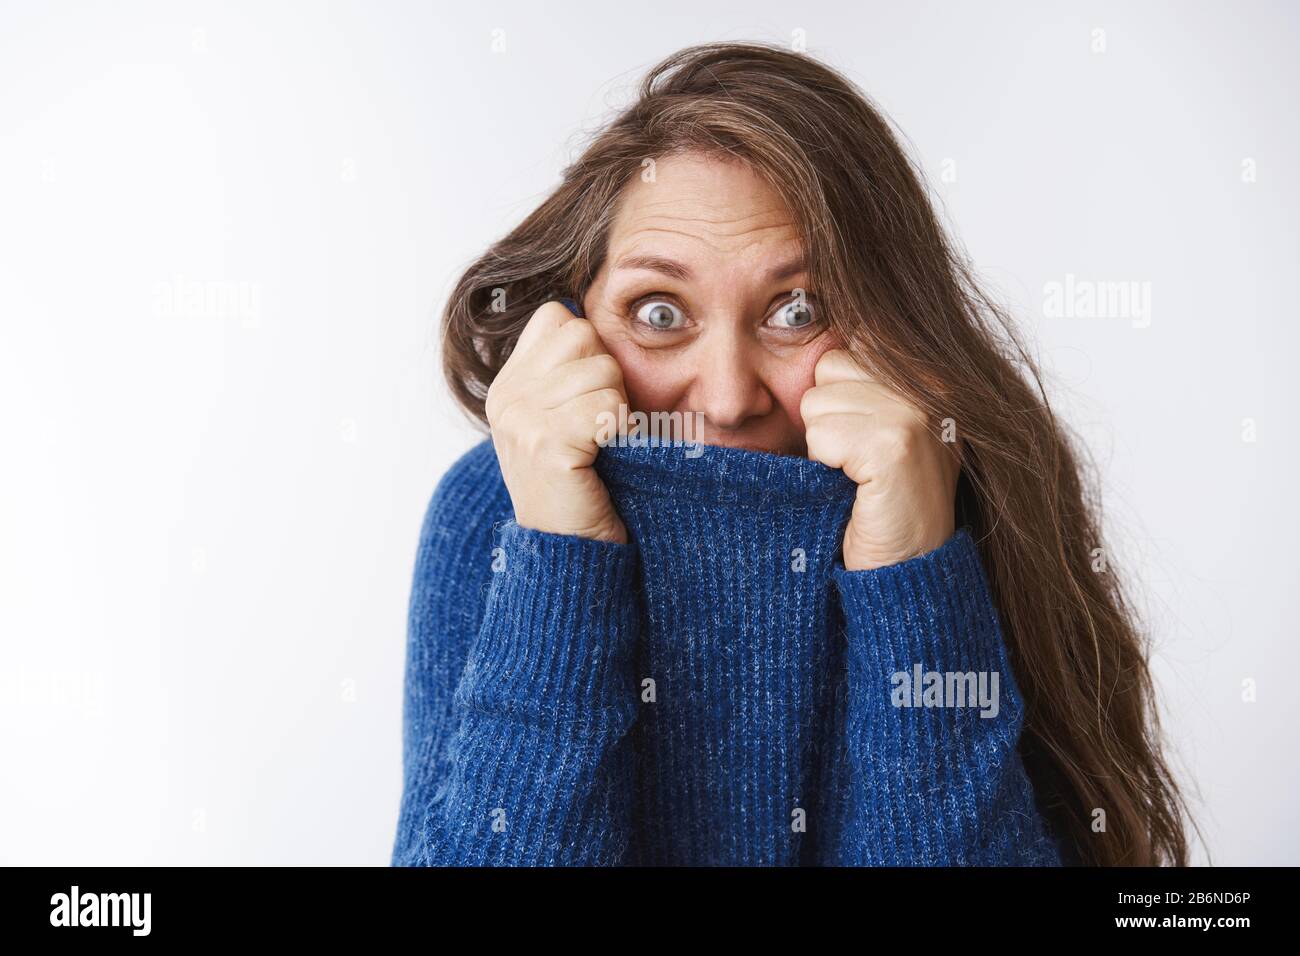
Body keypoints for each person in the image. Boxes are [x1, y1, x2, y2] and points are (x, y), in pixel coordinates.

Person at [391, 41, 1194, 866]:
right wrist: (559, 562)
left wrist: (913, 577)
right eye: (660, 313)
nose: (729, 395)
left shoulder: (978, 507)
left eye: (796, 309)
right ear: (572, 322)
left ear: (891, 324)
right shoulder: (495, 511)